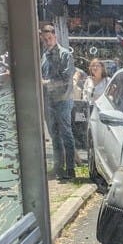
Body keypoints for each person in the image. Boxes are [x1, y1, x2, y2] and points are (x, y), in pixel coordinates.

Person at [40, 24, 76, 181]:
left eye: (50, 38)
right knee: (54, 135)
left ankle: (70, 168)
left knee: (66, 134)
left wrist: (46, 83)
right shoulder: (44, 55)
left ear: (55, 36)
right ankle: (58, 167)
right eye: (45, 39)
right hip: (49, 101)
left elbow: (65, 78)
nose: (48, 41)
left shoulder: (65, 54)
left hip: (62, 100)